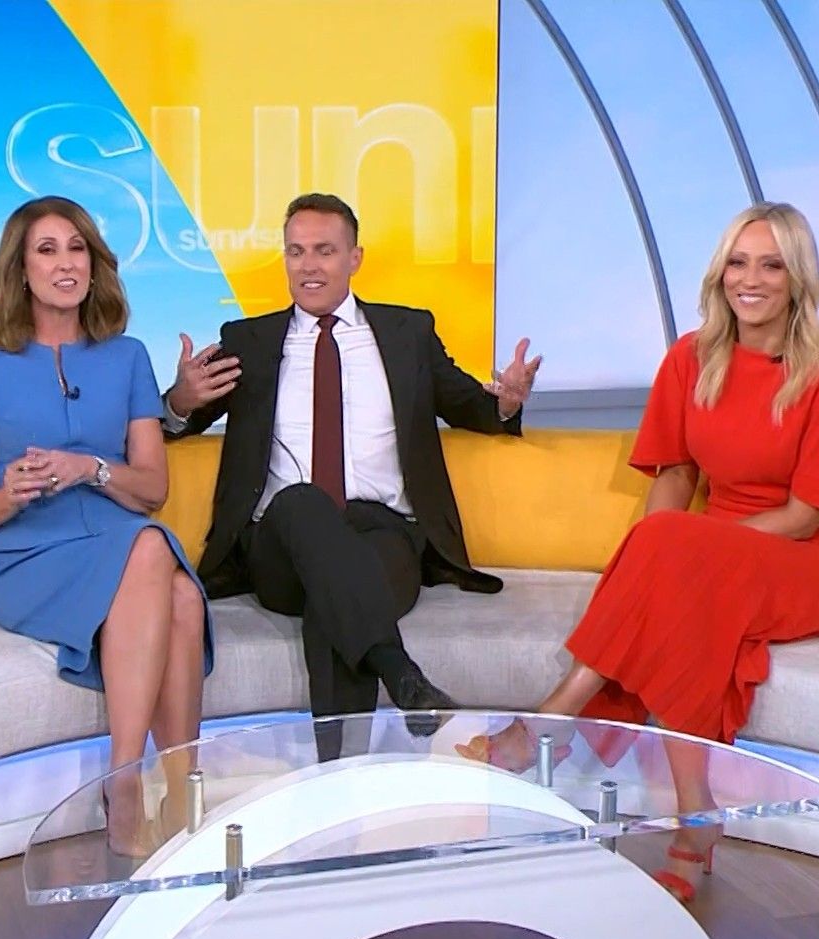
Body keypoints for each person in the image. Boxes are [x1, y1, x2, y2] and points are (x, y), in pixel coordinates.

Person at [458, 202, 819, 902]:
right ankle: (695, 815)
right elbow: (677, 475)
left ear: (798, 279)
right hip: (711, 551)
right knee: (683, 589)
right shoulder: (691, 359)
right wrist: (662, 560)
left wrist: (686, 552)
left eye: (771, 265)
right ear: (719, 274)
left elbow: (806, 517)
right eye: (738, 263)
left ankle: (551, 721)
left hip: (805, 559)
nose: (750, 279)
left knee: (683, 564)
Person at [161, 193, 541, 757]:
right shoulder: (249, 341)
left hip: (385, 536)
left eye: (324, 250)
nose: (308, 265)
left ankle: (338, 775)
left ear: (355, 258)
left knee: (336, 592)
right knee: (302, 503)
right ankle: (401, 674)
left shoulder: (407, 332)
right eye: (296, 251)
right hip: (278, 544)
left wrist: (505, 402)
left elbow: (471, 406)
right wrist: (180, 400)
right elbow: (176, 424)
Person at [0, 195, 212, 857]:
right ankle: (129, 782)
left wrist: (90, 468)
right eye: (47, 250)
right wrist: (11, 493)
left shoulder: (127, 357)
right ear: (20, 269)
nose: (65, 264)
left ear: (95, 265)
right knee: (156, 560)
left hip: (119, 542)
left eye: (77, 249)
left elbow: (151, 490)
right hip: (28, 557)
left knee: (175, 586)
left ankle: (181, 788)